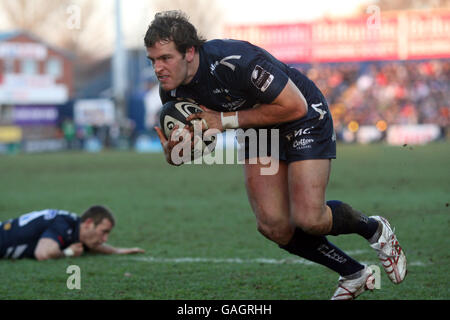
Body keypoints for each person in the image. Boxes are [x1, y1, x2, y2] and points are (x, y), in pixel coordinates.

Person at [145, 10, 407, 300]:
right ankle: (354, 273)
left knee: (309, 218)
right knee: (274, 225)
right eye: (153, 60)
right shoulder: (172, 94)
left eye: (165, 58)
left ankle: (374, 228)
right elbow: (204, 139)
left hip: (303, 115)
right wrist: (178, 153)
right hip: (259, 130)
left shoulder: (235, 60)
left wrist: (224, 120)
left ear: (190, 52)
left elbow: (295, 106)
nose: (158, 68)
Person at [0, 205, 145, 260]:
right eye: (103, 232)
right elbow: (43, 253)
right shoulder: (62, 225)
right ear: (88, 224)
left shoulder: (74, 226)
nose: (104, 239)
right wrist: (68, 253)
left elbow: (91, 244)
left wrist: (119, 251)